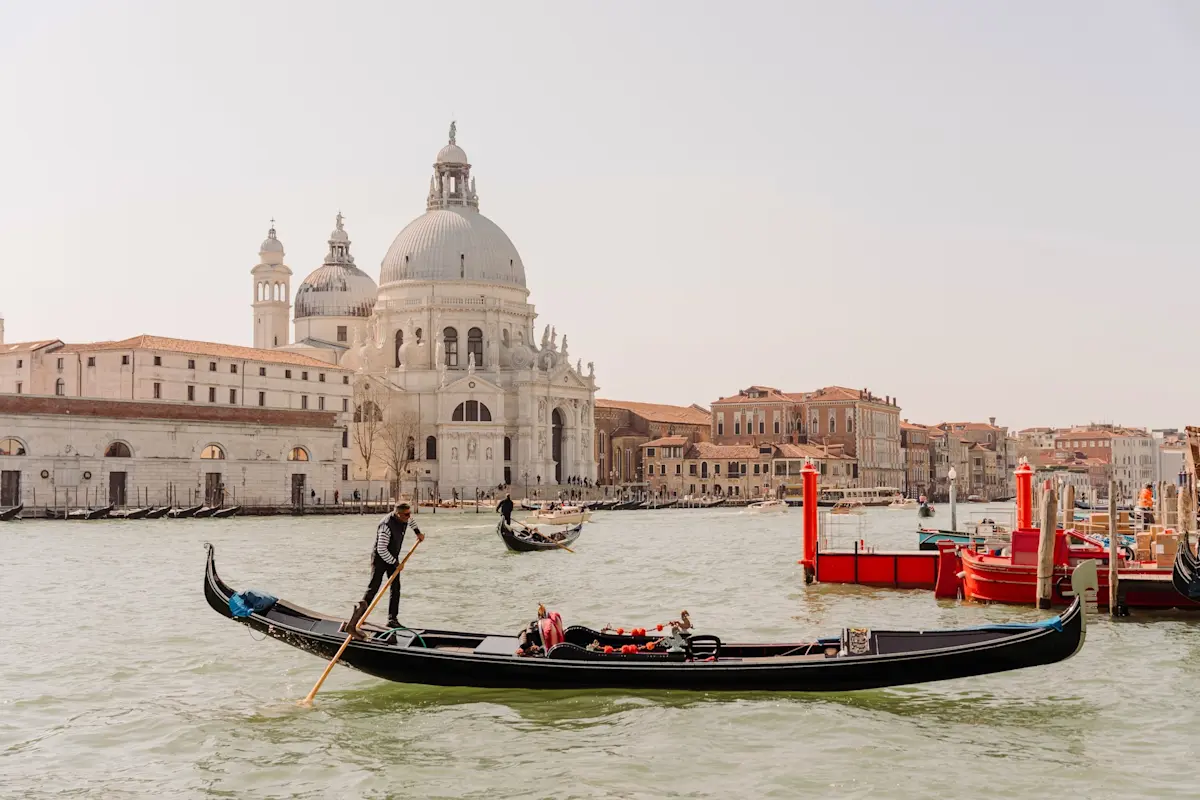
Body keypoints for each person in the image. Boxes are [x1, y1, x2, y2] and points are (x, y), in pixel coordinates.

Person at [344, 502, 425, 636]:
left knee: (396, 587)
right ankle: (357, 620)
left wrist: (418, 533)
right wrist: (395, 563)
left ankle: (392, 619)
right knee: (373, 587)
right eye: (406, 514)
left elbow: (412, 522)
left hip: (392, 556)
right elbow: (381, 549)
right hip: (380, 559)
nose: (409, 516)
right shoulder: (386, 526)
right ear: (398, 514)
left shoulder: (405, 517)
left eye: (409, 514)